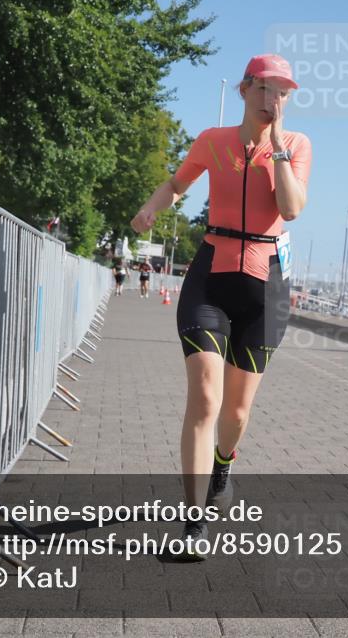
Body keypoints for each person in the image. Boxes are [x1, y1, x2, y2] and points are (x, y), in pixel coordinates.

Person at [131, 53, 311, 561]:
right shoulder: (213, 141)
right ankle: (192, 524)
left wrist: (276, 151)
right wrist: (151, 205)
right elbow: (175, 185)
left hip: (265, 286)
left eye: (283, 92)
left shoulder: (296, 146)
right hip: (211, 276)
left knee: (235, 410)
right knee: (205, 399)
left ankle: (223, 466)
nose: (273, 100)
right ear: (245, 90)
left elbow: (293, 207)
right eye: (265, 89)